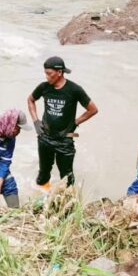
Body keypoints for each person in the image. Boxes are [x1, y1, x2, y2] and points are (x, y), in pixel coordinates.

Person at [27, 56, 98, 189]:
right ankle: (42, 200)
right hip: (45, 137)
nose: (46, 77)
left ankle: (66, 206)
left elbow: (93, 109)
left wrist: (76, 122)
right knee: (43, 175)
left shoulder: (74, 90)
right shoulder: (44, 87)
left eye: (49, 74)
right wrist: (36, 121)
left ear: (59, 72)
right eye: (45, 73)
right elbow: (30, 100)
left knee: (67, 178)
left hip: (65, 139)